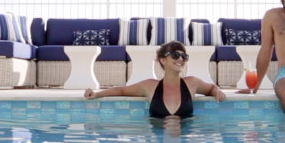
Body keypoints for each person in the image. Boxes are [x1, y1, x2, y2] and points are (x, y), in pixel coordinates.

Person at [84, 40, 226, 118]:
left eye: (184, 56)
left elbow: (212, 88)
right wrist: (96, 94)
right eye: (175, 55)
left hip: (185, 142)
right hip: (159, 141)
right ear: (162, 60)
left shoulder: (191, 83)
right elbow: (122, 90)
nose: (181, 59)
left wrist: (218, 92)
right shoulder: (150, 86)